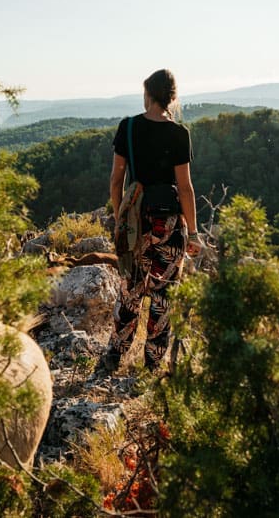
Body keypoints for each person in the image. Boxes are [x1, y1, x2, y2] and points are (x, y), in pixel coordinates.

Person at [99, 69, 201, 375]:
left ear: (148, 94)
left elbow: (117, 180)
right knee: (163, 297)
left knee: (130, 290)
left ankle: (114, 357)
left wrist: (120, 219)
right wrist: (193, 232)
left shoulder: (128, 127)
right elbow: (185, 188)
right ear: (172, 97)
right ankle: (152, 367)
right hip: (169, 223)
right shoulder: (179, 134)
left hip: (136, 221)